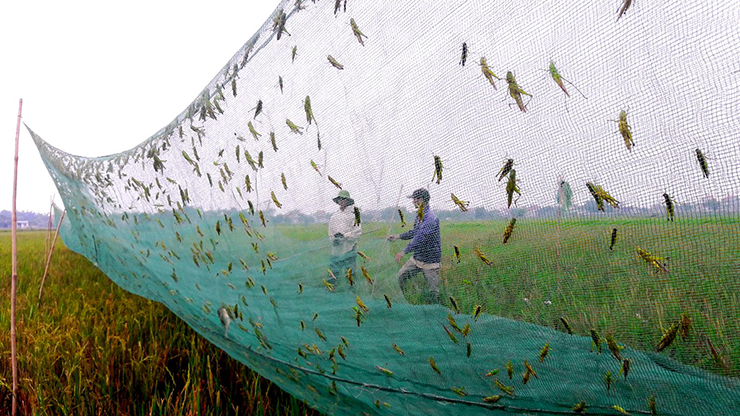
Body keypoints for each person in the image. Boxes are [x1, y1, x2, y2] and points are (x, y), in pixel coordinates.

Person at [387, 188, 441, 304]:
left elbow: (420, 237)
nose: (413, 202)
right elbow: (414, 232)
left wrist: (404, 252)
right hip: (417, 258)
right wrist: (397, 236)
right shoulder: (420, 215)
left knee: (433, 291)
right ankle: (403, 298)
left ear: (421, 200)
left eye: (415, 199)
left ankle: (435, 310)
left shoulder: (431, 218)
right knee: (400, 277)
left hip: (430, 261)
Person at [328, 190, 362, 284]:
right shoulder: (334, 216)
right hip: (336, 250)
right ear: (338, 201)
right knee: (333, 272)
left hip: (349, 249)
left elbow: (357, 232)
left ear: (348, 201)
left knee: (350, 273)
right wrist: (334, 240)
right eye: (340, 199)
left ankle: (351, 291)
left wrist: (344, 236)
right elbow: (330, 231)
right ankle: (331, 289)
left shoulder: (354, 215)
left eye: (344, 199)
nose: (342, 201)